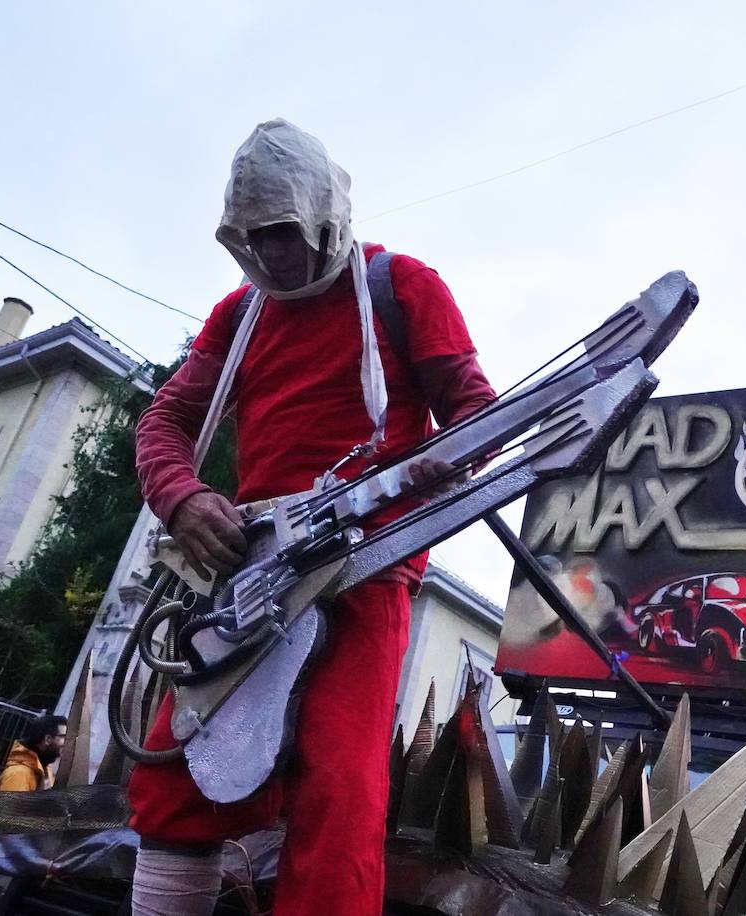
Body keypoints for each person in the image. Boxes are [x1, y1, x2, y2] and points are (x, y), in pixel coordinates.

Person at [127, 119, 496, 916]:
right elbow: (164, 421)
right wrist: (185, 498)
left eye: (284, 235)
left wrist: (450, 462)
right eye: (252, 239)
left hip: (366, 572)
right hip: (249, 576)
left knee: (339, 793)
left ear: (325, 215)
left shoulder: (403, 286)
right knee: (172, 771)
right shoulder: (237, 314)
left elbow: (476, 413)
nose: (271, 256)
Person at [0, 714, 66, 792]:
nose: (68, 742)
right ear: (47, 739)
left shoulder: (46, 771)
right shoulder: (18, 774)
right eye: (64, 737)